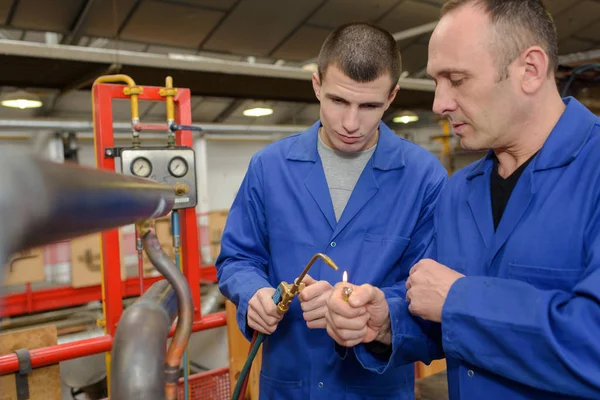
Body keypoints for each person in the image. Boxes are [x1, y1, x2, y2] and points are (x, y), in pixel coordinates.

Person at [325, 1, 600, 399]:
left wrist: (459, 300)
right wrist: (386, 321)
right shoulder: (458, 191)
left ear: (530, 70)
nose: (439, 103)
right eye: (437, 81)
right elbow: (436, 312)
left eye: (456, 79)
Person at [215, 22, 447, 399]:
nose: (351, 123)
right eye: (338, 101)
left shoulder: (424, 178)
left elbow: (429, 294)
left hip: (375, 389)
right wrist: (253, 294)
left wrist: (379, 315)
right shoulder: (269, 168)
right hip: (288, 387)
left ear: (392, 97)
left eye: (370, 105)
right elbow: (237, 258)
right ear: (317, 84)